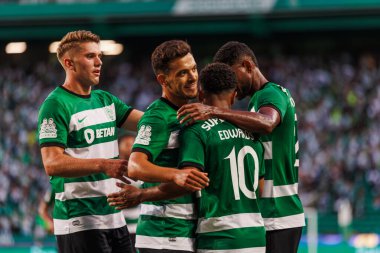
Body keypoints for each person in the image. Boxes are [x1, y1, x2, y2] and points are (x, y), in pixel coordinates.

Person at [109, 62, 267, 252]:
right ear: (234, 96)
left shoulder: (197, 131)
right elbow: (259, 188)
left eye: (193, 70)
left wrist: (142, 194)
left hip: (217, 235)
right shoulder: (253, 134)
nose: (191, 76)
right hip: (255, 234)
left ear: (201, 96)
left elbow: (188, 179)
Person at [177, 41, 305, 253]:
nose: (233, 86)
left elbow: (268, 122)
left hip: (278, 213)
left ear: (247, 65)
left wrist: (212, 110)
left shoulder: (270, 93)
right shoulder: (256, 102)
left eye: (233, 76)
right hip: (271, 214)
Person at [37, 30, 144, 253]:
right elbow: (52, 163)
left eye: (100, 56)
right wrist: (103, 165)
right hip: (79, 222)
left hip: (115, 219)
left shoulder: (105, 100)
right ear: (69, 63)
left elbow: (148, 124)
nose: (98, 62)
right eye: (90, 56)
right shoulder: (56, 104)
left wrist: (186, 114)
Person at [108, 40, 209, 253]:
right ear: (163, 80)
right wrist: (176, 175)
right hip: (163, 235)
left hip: (182, 231)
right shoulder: (157, 116)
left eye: (193, 69)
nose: (192, 77)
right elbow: (136, 166)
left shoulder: (184, 112)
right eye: (182, 73)